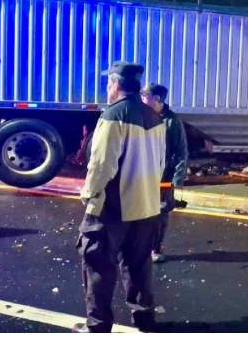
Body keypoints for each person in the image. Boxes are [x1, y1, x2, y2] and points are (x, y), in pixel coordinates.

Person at [72, 62, 167, 333]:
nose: (107, 87)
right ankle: (144, 319)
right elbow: (159, 164)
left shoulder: (114, 115)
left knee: (99, 265)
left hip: (114, 208)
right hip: (146, 207)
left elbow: (102, 165)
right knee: (138, 267)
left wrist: (89, 195)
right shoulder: (154, 117)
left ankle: (98, 326)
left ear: (115, 84)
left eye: (108, 83)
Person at [141, 83, 189, 263]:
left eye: (145, 96)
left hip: (163, 178)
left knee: (160, 214)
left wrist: (177, 178)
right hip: (142, 175)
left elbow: (181, 151)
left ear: (157, 99)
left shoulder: (172, 121)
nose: (142, 98)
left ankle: (156, 247)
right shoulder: (140, 117)